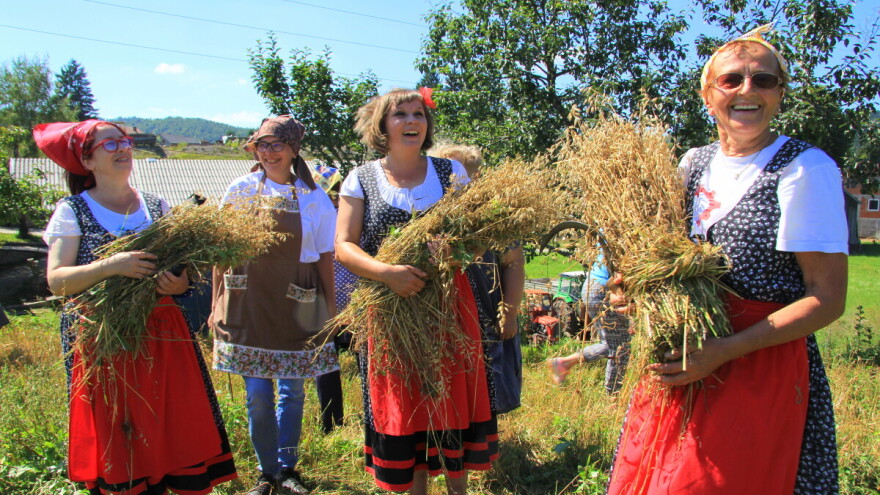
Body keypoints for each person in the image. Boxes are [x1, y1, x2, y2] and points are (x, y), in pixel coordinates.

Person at [607, 25, 848, 494]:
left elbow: (827, 298)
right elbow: (666, 260)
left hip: (758, 365)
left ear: (780, 93)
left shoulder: (805, 168)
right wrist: (634, 288)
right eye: (731, 79)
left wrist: (723, 350)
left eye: (764, 80)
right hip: (682, 359)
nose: (747, 90)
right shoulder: (692, 163)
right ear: (708, 95)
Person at [35, 119, 237, 494]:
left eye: (124, 141)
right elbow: (57, 281)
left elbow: (182, 273)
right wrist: (110, 266)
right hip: (106, 340)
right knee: (122, 428)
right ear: (87, 161)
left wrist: (180, 284)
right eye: (109, 144)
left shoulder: (157, 206)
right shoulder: (73, 210)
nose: (123, 148)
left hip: (163, 336)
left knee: (171, 423)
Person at [335, 88, 498, 494]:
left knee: (450, 395)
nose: (412, 121)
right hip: (389, 307)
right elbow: (344, 246)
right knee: (405, 399)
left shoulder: (451, 172)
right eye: (401, 114)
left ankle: (458, 490)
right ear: (382, 126)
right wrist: (387, 273)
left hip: (447, 304)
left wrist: (456, 252)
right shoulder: (361, 178)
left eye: (418, 114)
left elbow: (478, 237)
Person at [210, 116, 338, 495]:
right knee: (258, 396)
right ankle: (266, 472)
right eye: (261, 145)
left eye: (276, 145)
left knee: (292, 392)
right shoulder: (240, 190)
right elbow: (220, 252)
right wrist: (215, 302)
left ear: (293, 149)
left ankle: (287, 469)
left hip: (295, 303)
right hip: (247, 303)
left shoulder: (313, 196)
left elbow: (325, 257)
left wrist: (331, 309)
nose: (267, 152)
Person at [430, 142, 525, 414]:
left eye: (459, 172)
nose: (451, 180)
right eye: (443, 172)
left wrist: (510, 312)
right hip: (440, 314)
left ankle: (484, 436)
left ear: (476, 176)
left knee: (487, 382)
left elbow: (514, 262)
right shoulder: (429, 212)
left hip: (486, 310)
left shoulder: (493, 215)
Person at [547, 261, 631, 394]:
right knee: (620, 346)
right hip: (605, 288)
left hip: (594, 286)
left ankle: (564, 363)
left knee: (612, 344)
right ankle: (613, 395)